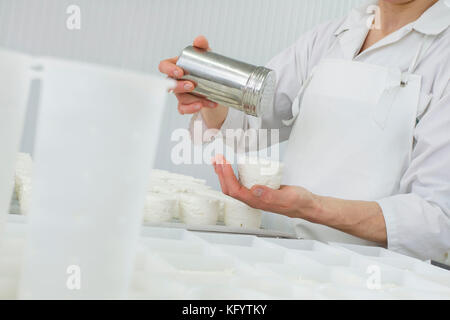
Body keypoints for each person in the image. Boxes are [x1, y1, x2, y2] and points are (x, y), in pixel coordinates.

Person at [159, 0, 450, 262]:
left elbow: (437, 222)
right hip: (286, 256)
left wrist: (312, 208)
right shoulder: (333, 36)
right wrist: (208, 88)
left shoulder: (443, 53)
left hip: (375, 277)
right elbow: (249, 124)